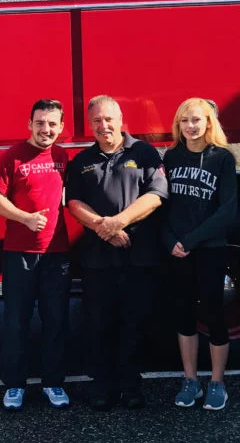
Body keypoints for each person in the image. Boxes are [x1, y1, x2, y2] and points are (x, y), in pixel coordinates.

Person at [65, 95, 169, 411]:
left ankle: (131, 386)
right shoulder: (82, 161)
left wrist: (120, 221)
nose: (103, 125)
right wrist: (103, 227)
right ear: (90, 125)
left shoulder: (144, 153)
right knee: (98, 324)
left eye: (108, 119)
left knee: (134, 323)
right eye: (96, 120)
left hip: (138, 258)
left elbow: (157, 195)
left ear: (120, 119)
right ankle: (101, 387)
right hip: (98, 260)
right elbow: (73, 203)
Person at [0, 99, 72, 410]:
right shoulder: (12, 156)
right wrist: (24, 217)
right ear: (29, 124)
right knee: (15, 322)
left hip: (57, 253)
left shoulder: (63, 157)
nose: (45, 129)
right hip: (19, 254)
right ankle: (14, 386)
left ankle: (53, 383)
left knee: (56, 321)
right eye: (40, 123)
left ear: (61, 127)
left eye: (52, 124)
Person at [164, 98, 237, 411]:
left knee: (212, 312)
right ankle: (191, 380)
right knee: (182, 313)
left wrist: (192, 240)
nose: (190, 127)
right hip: (178, 251)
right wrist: (170, 241)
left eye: (196, 120)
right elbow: (161, 204)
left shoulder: (222, 158)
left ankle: (217, 382)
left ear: (209, 123)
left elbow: (228, 209)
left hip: (209, 248)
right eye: (184, 121)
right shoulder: (171, 156)